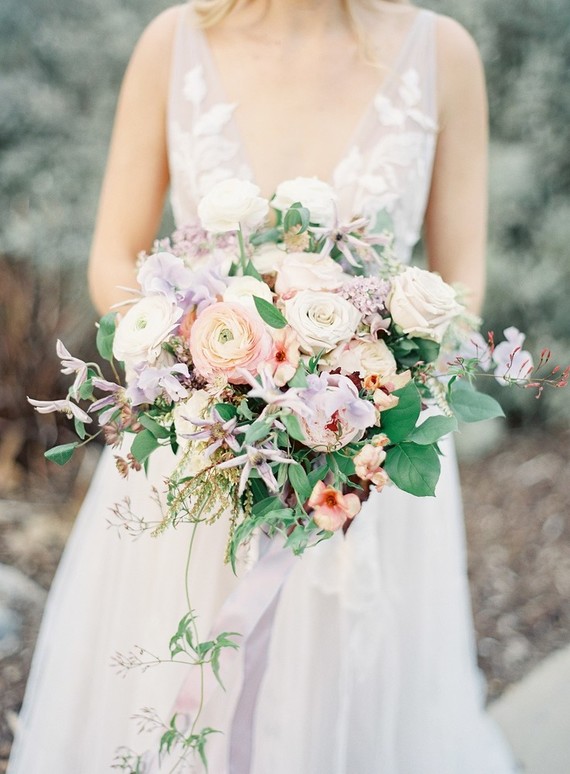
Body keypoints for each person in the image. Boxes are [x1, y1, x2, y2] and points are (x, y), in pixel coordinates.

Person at [8, 0, 521, 772]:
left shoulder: (442, 53)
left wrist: (361, 367)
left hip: (369, 464)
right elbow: (113, 255)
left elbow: (462, 281)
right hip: (202, 445)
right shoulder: (174, 42)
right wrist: (204, 357)